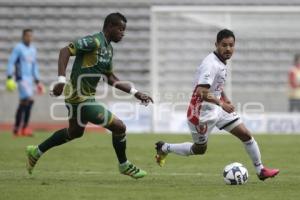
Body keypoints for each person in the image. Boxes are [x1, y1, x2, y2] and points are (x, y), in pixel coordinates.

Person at [25, 13, 153, 179]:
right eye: (120, 29)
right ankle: (124, 165)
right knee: (119, 127)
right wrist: (61, 81)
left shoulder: (108, 49)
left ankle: (36, 151)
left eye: (124, 30)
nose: (123, 33)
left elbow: (110, 78)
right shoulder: (94, 41)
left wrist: (135, 93)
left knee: (75, 132)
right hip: (78, 97)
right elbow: (65, 51)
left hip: (87, 97)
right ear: (110, 27)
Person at [155, 29, 279, 181]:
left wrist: (224, 99)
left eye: (231, 45)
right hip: (200, 113)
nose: (228, 49)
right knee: (199, 149)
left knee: (246, 135)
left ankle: (261, 170)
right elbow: (201, 91)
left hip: (218, 108)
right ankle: (164, 147)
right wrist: (221, 103)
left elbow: (217, 85)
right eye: (224, 45)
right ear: (216, 45)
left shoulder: (221, 62)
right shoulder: (211, 64)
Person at [6, 29, 44, 137]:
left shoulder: (33, 49)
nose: (29, 38)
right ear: (23, 36)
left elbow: (34, 65)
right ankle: (23, 128)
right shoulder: (18, 48)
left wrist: (37, 80)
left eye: (31, 36)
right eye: (27, 36)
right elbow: (11, 62)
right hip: (21, 78)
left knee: (25, 102)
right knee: (28, 100)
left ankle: (18, 128)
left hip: (29, 79)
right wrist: (9, 76)